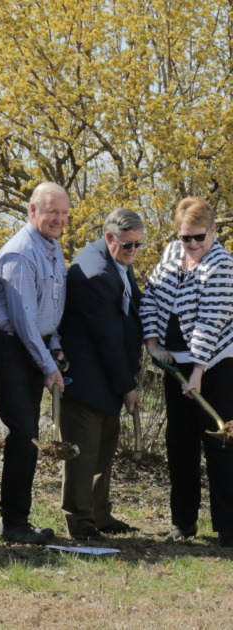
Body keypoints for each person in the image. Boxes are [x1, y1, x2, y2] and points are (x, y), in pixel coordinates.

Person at [141, 197, 233, 548]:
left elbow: (212, 321)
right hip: (173, 363)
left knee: (220, 443)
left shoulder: (221, 264)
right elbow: (150, 298)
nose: (192, 245)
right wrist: (151, 342)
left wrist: (198, 371)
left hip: (216, 366)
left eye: (199, 237)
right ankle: (184, 521)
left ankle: (228, 526)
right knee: (179, 444)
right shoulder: (170, 255)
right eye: (185, 238)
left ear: (213, 231)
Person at [0, 181, 70, 545]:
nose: (59, 219)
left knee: (27, 433)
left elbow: (50, 310)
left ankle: (17, 519)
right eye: (52, 212)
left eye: (64, 213)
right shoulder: (19, 253)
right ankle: (13, 522)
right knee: (24, 432)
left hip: (34, 346)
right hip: (8, 348)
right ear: (33, 211)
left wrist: (56, 345)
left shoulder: (52, 248)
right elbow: (23, 320)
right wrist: (48, 365)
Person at [59, 208, 144, 541]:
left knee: (104, 447)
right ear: (109, 238)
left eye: (139, 245)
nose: (133, 252)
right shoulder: (96, 273)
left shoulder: (117, 262)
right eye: (128, 246)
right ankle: (80, 522)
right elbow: (108, 338)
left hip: (106, 378)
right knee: (83, 453)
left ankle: (99, 514)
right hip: (87, 378)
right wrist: (128, 386)